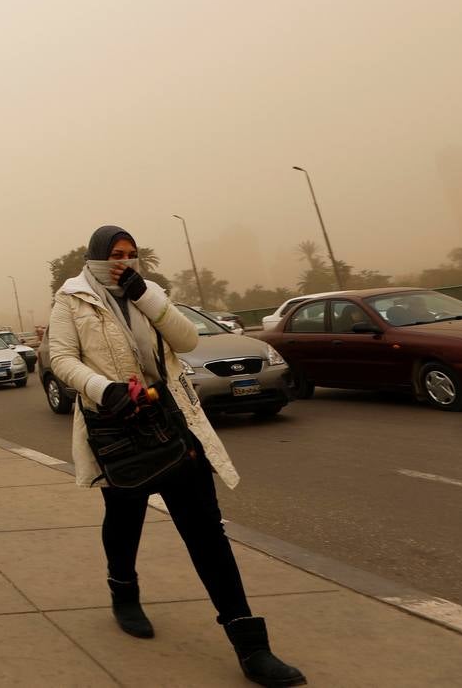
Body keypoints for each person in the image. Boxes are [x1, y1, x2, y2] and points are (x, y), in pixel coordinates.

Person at [48, 226, 305, 688]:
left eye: (131, 254)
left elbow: (187, 341)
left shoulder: (148, 292)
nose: (124, 263)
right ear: (95, 258)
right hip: (119, 427)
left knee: (206, 531)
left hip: (172, 421)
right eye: (115, 255)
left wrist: (145, 296)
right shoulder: (71, 300)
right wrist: (104, 389)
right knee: (124, 518)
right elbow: (63, 358)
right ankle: (123, 592)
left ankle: (250, 645)